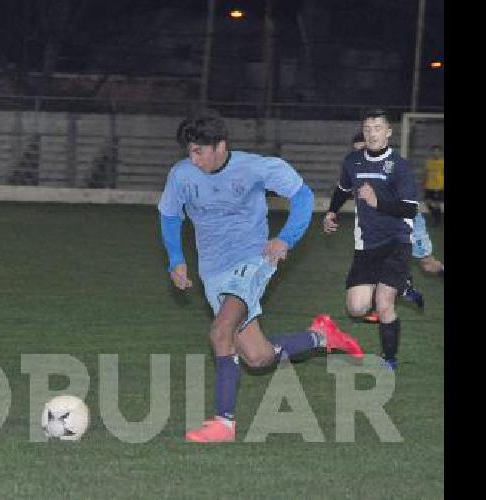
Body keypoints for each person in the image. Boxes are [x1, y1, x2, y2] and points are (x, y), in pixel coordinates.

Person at [159, 112, 364, 443]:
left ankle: (224, 423)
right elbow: (169, 215)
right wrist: (176, 260)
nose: (193, 159)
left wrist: (286, 238)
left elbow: (302, 196)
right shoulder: (182, 175)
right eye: (189, 152)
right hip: (212, 271)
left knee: (220, 330)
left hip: (253, 260)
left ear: (220, 146)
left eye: (199, 151)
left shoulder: (255, 167)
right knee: (257, 357)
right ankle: (321, 337)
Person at [324, 110, 418, 371]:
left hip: (396, 242)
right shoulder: (353, 161)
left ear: (388, 132)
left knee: (384, 304)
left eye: (377, 127)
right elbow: (343, 190)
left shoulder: (399, 165)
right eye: (367, 128)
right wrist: (332, 211)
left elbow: (410, 208)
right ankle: (398, 284)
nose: (372, 133)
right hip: (366, 245)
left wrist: (378, 202)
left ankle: (389, 359)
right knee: (356, 308)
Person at [347, 134, 437, 323]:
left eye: (363, 147)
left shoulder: (391, 166)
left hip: (408, 222)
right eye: (357, 149)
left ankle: (404, 285)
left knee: (428, 264)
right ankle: (398, 291)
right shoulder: (358, 170)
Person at [424, 145, 444, 225]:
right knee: (427, 203)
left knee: (436, 204)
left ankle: (437, 220)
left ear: (440, 153)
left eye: (437, 151)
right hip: (429, 186)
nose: (436, 153)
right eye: (434, 151)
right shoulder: (429, 162)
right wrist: (424, 183)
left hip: (438, 187)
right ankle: (436, 217)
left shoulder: (442, 162)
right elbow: (426, 173)